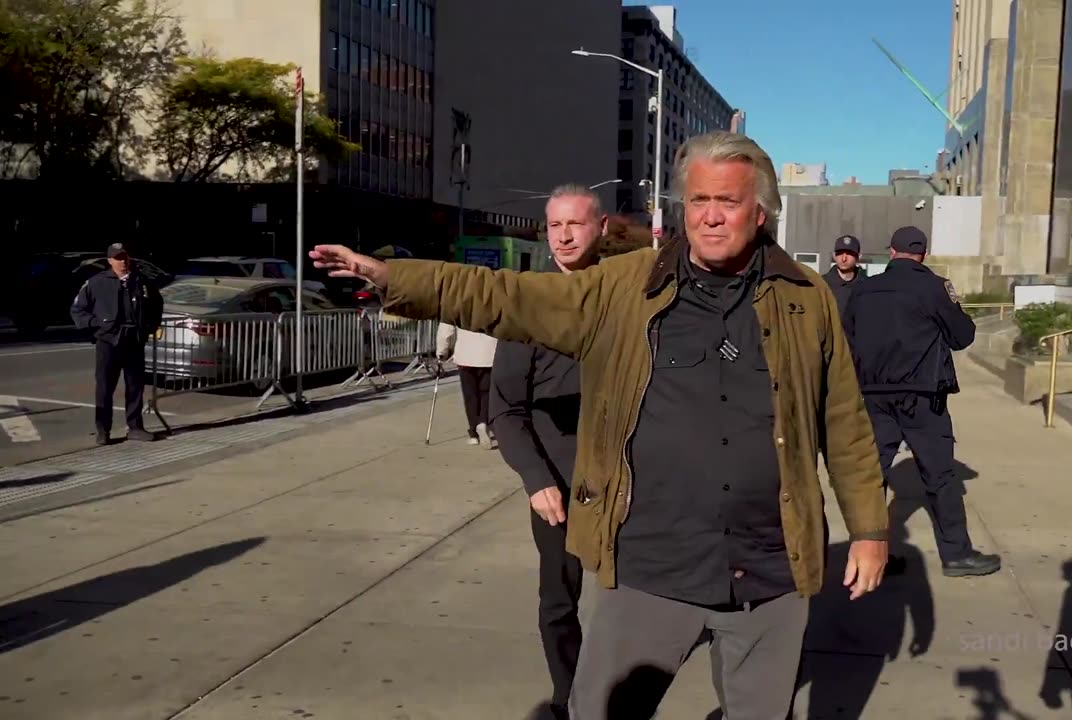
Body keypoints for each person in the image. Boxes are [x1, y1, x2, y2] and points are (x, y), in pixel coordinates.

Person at [310, 131, 889, 719]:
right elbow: (507, 296)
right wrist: (392, 277)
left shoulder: (806, 296)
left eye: (729, 202)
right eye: (698, 201)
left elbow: (843, 421)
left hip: (770, 570)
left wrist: (869, 528)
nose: (711, 217)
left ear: (761, 211)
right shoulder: (623, 285)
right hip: (650, 566)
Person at [488, 184, 607, 720]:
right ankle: (570, 697)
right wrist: (536, 480)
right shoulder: (528, 308)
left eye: (575, 224)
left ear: (600, 229)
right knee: (560, 600)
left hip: (630, 479)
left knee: (645, 598)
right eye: (555, 225)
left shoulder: (625, 299)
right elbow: (506, 411)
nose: (563, 235)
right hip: (557, 483)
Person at [845, 226, 1000, 577]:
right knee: (940, 476)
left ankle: (870, 555)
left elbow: (846, 339)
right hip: (921, 396)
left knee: (872, 476)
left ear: (891, 251)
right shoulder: (934, 287)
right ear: (923, 254)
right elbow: (963, 337)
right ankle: (957, 555)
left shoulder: (863, 289)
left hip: (873, 395)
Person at [69, 242, 162, 445]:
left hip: (134, 341)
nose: (123, 261)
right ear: (110, 260)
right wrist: (96, 326)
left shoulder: (141, 282)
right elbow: (78, 310)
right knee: (104, 388)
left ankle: (135, 427)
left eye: (125, 257)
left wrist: (149, 327)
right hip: (108, 341)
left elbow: (156, 306)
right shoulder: (96, 282)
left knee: (135, 386)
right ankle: (103, 431)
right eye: (118, 258)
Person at [436, 322, 497, 448]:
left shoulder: (455, 302)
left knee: (470, 395)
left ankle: (474, 433)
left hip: (466, 354)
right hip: (489, 354)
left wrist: (442, 351)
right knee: (486, 392)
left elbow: (446, 330)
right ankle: (483, 422)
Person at [823, 233, 864, 319]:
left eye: (849, 253)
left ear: (859, 257)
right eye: (840, 253)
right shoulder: (822, 284)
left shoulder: (866, 286)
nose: (844, 258)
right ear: (834, 255)